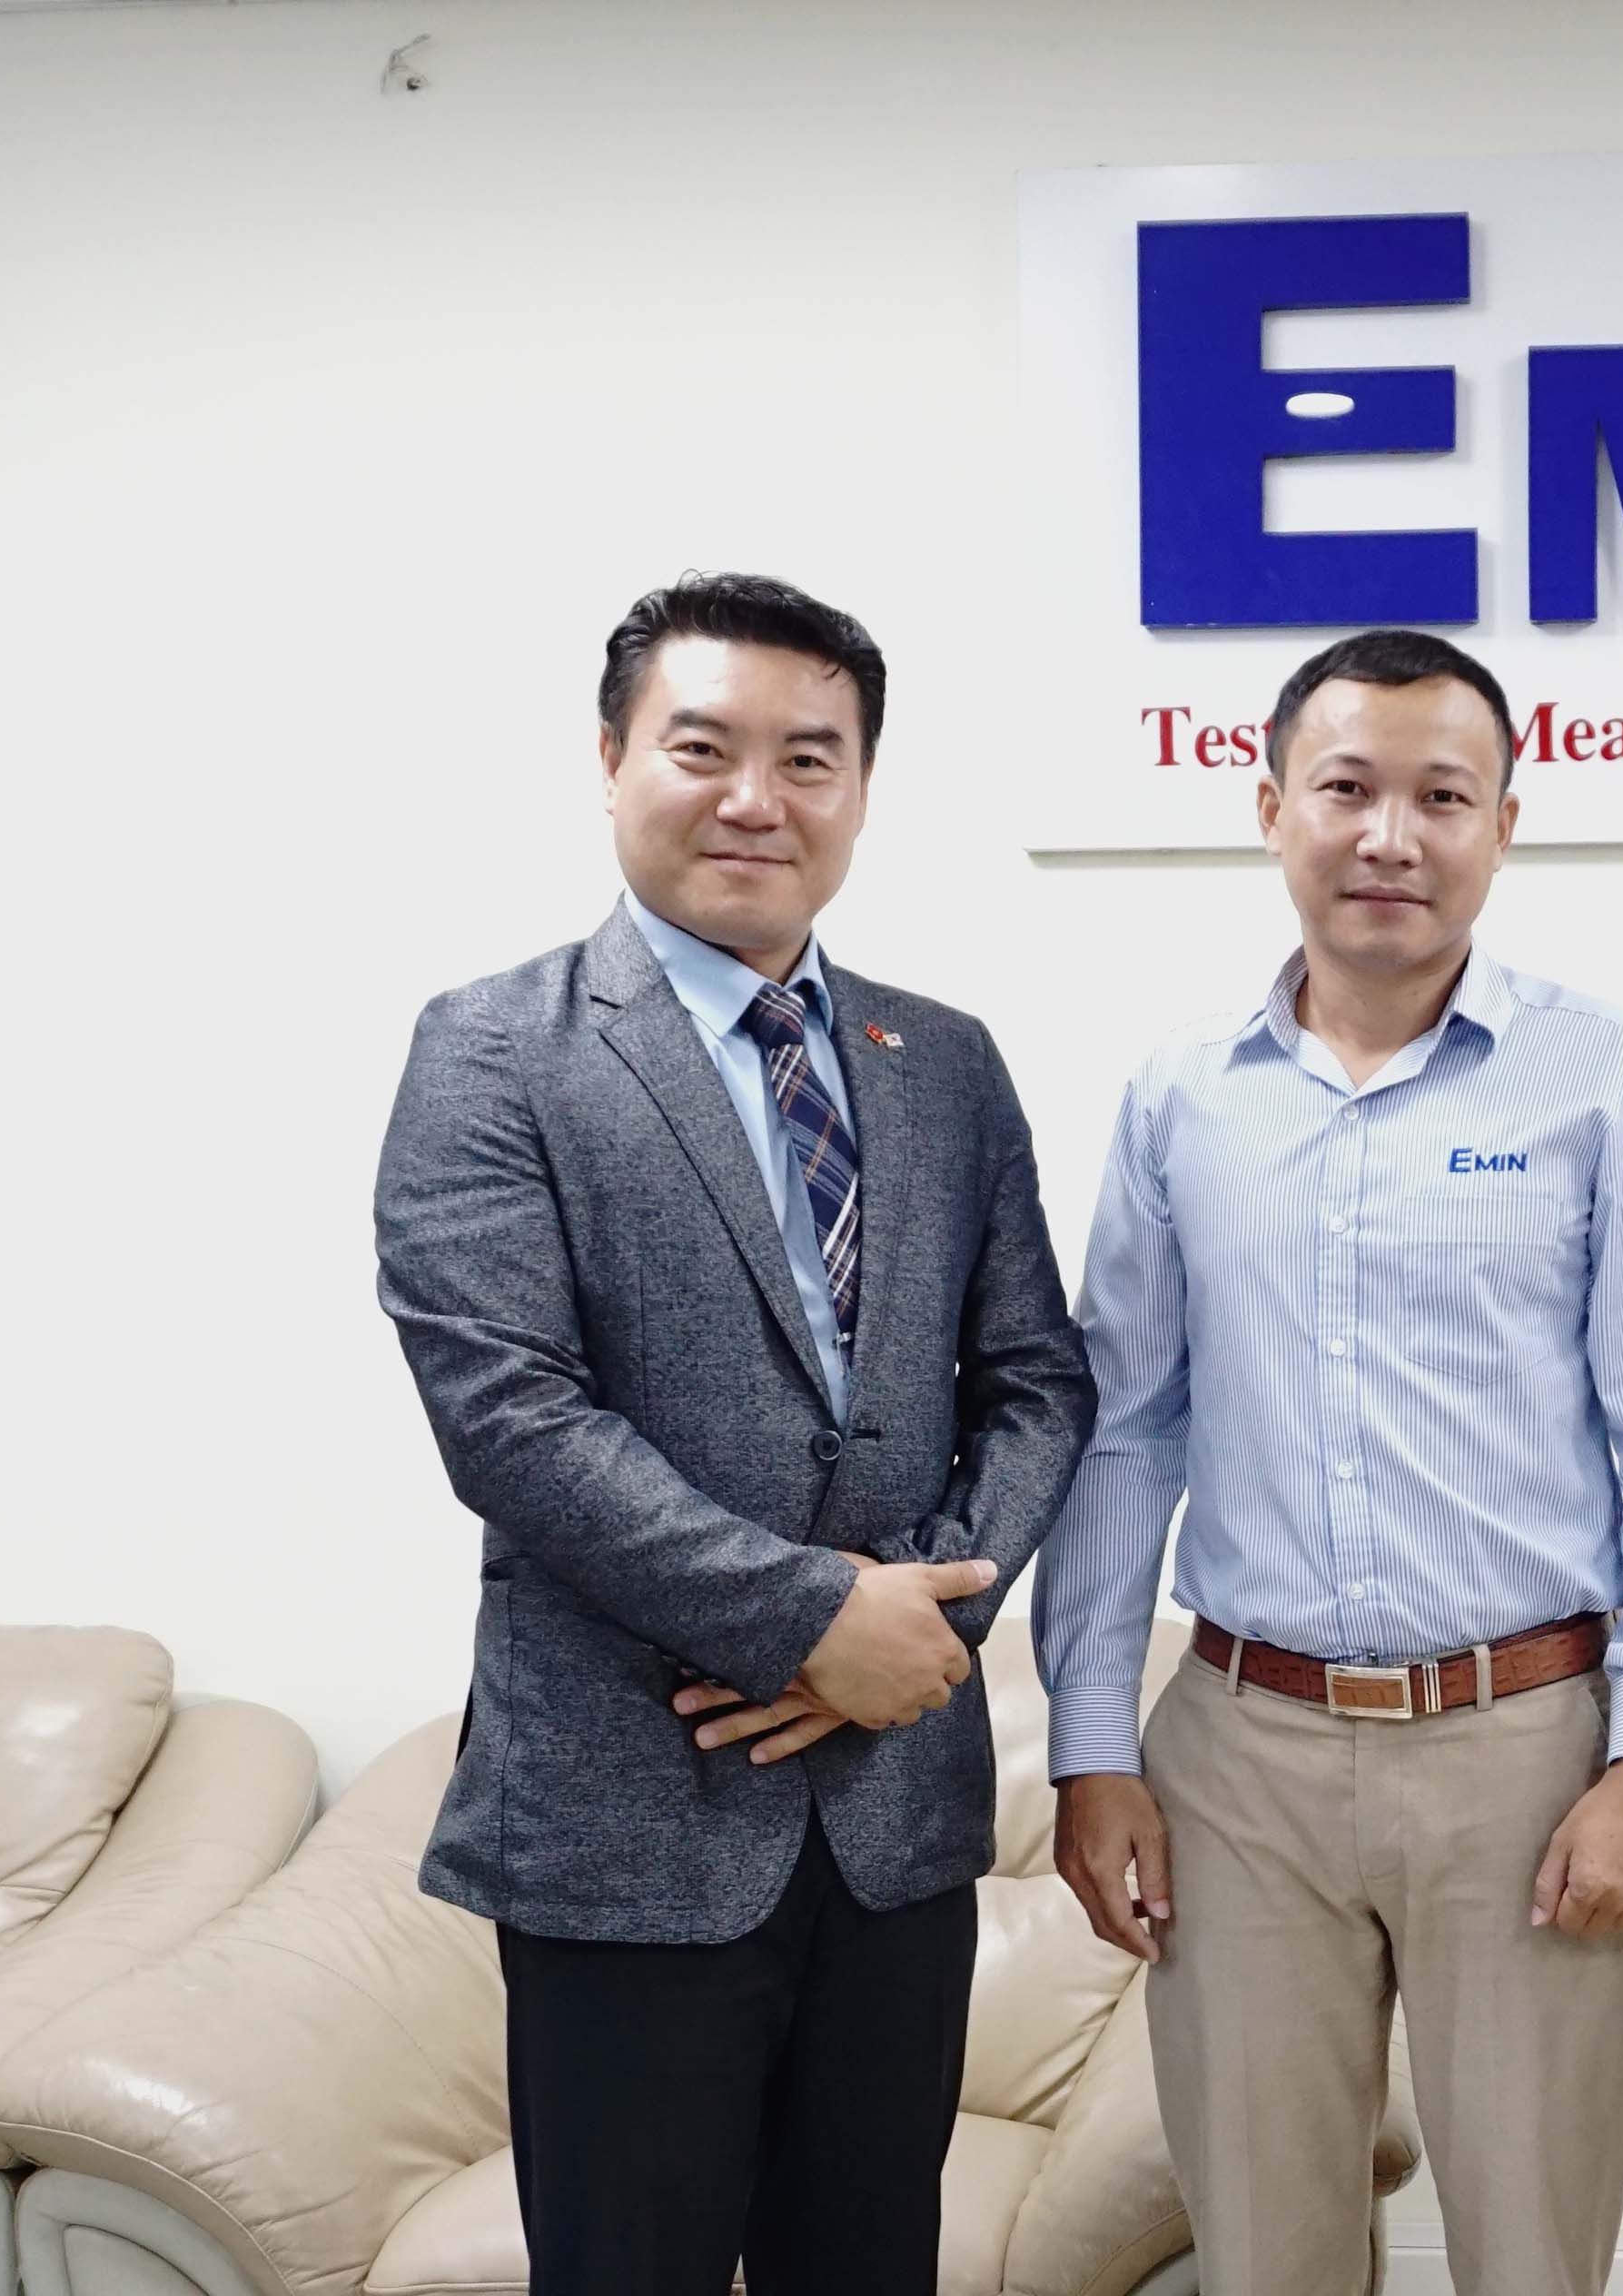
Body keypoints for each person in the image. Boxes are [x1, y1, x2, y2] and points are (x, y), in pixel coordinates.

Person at [372, 572, 1094, 2294]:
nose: (756, 798)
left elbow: (1036, 1381)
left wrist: (917, 1622)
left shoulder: (943, 1060)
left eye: (809, 758)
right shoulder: (494, 1050)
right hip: (628, 1818)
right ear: (613, 759)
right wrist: (809, 1619)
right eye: (703, 748)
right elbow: (509, 1415)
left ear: (862, 788)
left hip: (893, 1820)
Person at [1031, 628, 1623, 2296]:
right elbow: (1124, 1433)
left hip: (1528, 1753)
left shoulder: (1611, 1082)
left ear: (1506, 823)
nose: (1390, 837)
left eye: (1442, 797)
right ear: (1271, 805)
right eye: (1347, 788)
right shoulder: (1181, 1097)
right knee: (1264, 2258)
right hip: (1240, 1754)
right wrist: (1089, 1750)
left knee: (1531, 2254)